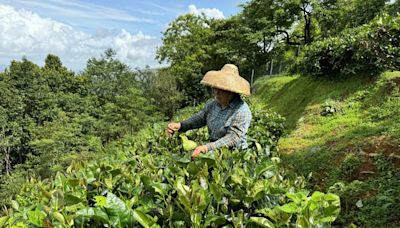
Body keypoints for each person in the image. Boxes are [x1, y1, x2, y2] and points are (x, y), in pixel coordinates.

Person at [167, 64, 252, 159]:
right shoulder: (213, 104)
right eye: (215, 88)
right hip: (213, 149)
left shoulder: (242, 111)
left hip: (235, 154)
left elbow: (233, 137)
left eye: (221, 90)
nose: (216, 93)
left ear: (231, 91)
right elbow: (200, 118)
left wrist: (207, 148)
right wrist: (181, 125)